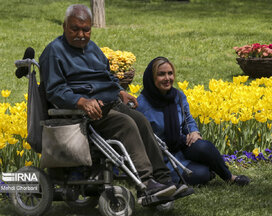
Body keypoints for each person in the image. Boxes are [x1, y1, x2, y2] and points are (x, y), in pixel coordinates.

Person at [39, 5, 192, 203]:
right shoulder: (54, 52)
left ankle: (163, 180)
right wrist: (82, 101)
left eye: (86, 29)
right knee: (125, 124)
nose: (81, 34)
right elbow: (55, 90)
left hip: (109, 102)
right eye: (74, 28)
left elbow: (108, 75)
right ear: (64, 26)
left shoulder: (92, 48)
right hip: (84, 112)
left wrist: (120, 91)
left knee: (141, 121)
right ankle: (146, 183)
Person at [137, 57, 250, 186]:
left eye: (170, 73)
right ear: (151, 77)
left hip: (181, 144)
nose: (167, 78)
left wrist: (194, 132)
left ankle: (229, 177)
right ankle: (207, 170)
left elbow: (188, 120)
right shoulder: (141, 105)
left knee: (204, 147)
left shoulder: (178, 96)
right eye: (161, 74)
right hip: (163, 157)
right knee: (202, 174)